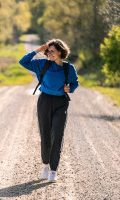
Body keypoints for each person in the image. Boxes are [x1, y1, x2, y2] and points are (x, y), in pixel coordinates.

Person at [19, 39, 79, 182]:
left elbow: (75, 82)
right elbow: (23, 62)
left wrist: (70, 88)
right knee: (45, 135)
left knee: (57, 135)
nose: (50, 53)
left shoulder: (68, 68)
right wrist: (38, 50)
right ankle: (45, 165)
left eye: (52, 51)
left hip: (61, 103)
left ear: (60, 51)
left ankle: (53, 170)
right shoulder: (43, 64)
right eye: (48, 51)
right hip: (45, 101)